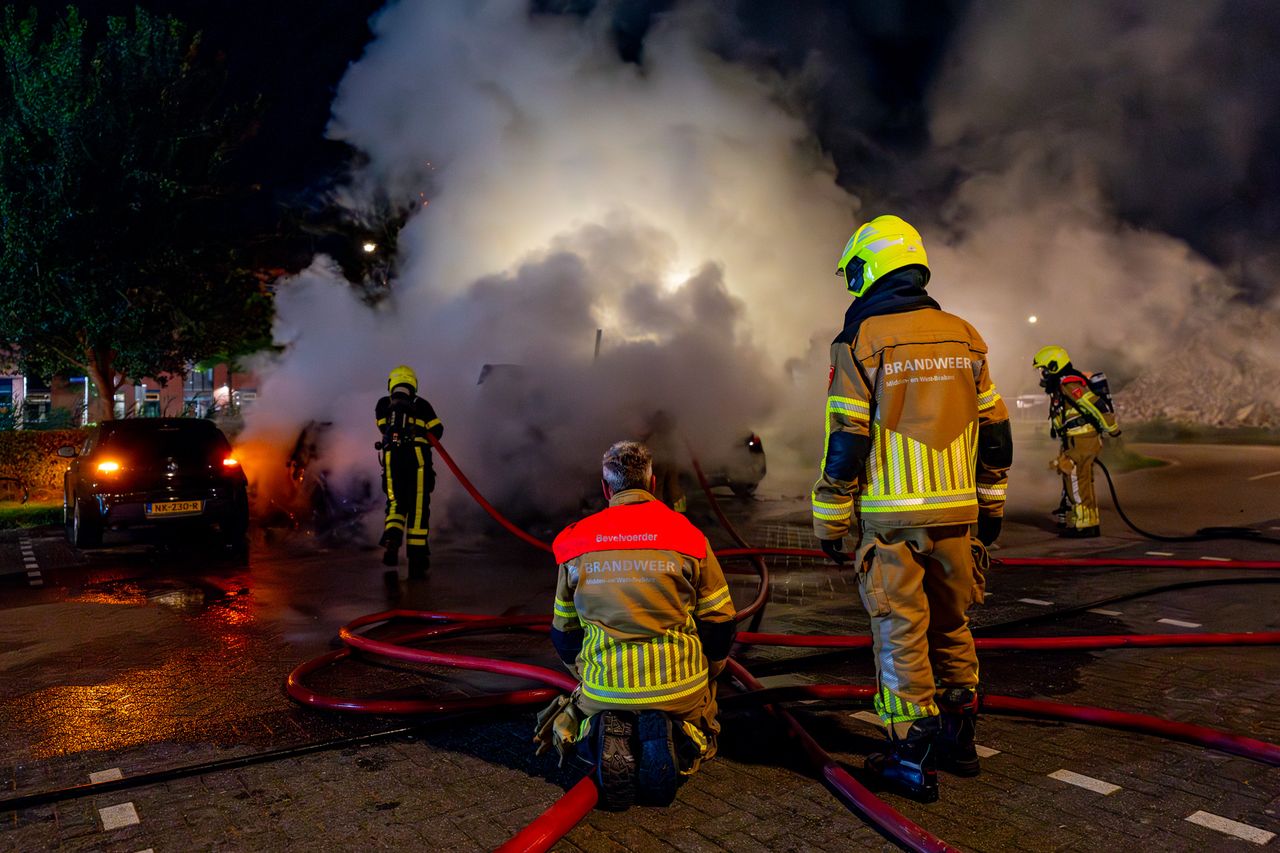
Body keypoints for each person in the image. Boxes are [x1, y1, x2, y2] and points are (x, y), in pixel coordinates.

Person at [811, 214, 1012, 802]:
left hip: (892, 522)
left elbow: (846, 437)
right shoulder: (965, 334)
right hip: (958, 517)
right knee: (954, 625)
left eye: (854, 272)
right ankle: (961, 743)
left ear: (872, 267)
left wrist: (830, 517)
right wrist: (991, 507)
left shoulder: (860, 341)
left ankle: (910, 756)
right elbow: (995, 430)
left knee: (901, 633)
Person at [534, 440, 736, 810]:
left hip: (605, 688)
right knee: (703, 708)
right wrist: (713, 670)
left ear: (606, 487)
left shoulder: (574, 542)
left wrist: (582, 673)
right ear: (653, 483)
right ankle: (684, 733)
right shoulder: (689, 537)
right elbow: (720, 622)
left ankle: (599, 730)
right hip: (679, 687)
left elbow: (563, 632)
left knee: (576, 709)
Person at [1032, 345, 1121, 538]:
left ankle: (1086, 526)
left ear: (1054, 366)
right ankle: (1084, 522)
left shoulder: (1068, 384)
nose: (1042, 374)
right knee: (1079, 479)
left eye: (1044, 369)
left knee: (1075, 476)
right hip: (1074, 439)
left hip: (1082, 438)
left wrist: (1111, 427)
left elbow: (1092, 403)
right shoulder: (1060, 386)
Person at [375, 365, 443, 580]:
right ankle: (417, 557)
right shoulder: (421, 404)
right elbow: (438, 430)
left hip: (392, 459)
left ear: (391, 383)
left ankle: (392, 540)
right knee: (418, 507)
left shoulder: (383, 405)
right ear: (413, 384)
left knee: (395, 503)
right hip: (418, 460)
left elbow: (382, 427)